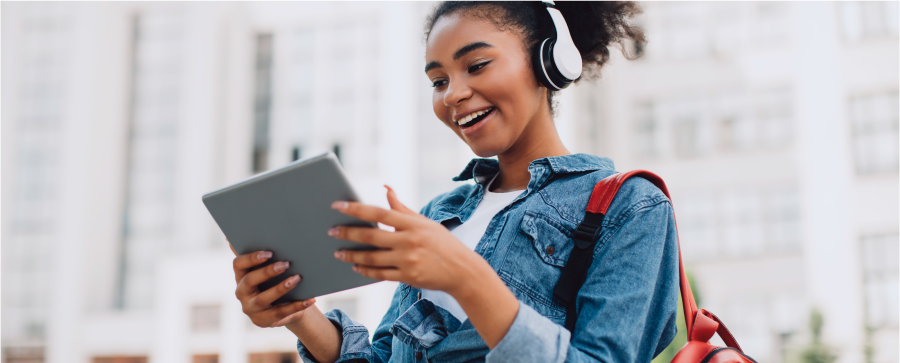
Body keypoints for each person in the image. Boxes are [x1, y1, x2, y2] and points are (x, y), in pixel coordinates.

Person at [231, 0, 679, 362]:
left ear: (548, 62)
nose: (453, 94)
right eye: (438, 80)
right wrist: (297, 314)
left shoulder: (630, 206)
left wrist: (465, 277)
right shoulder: (441, 215)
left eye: (477, 65)